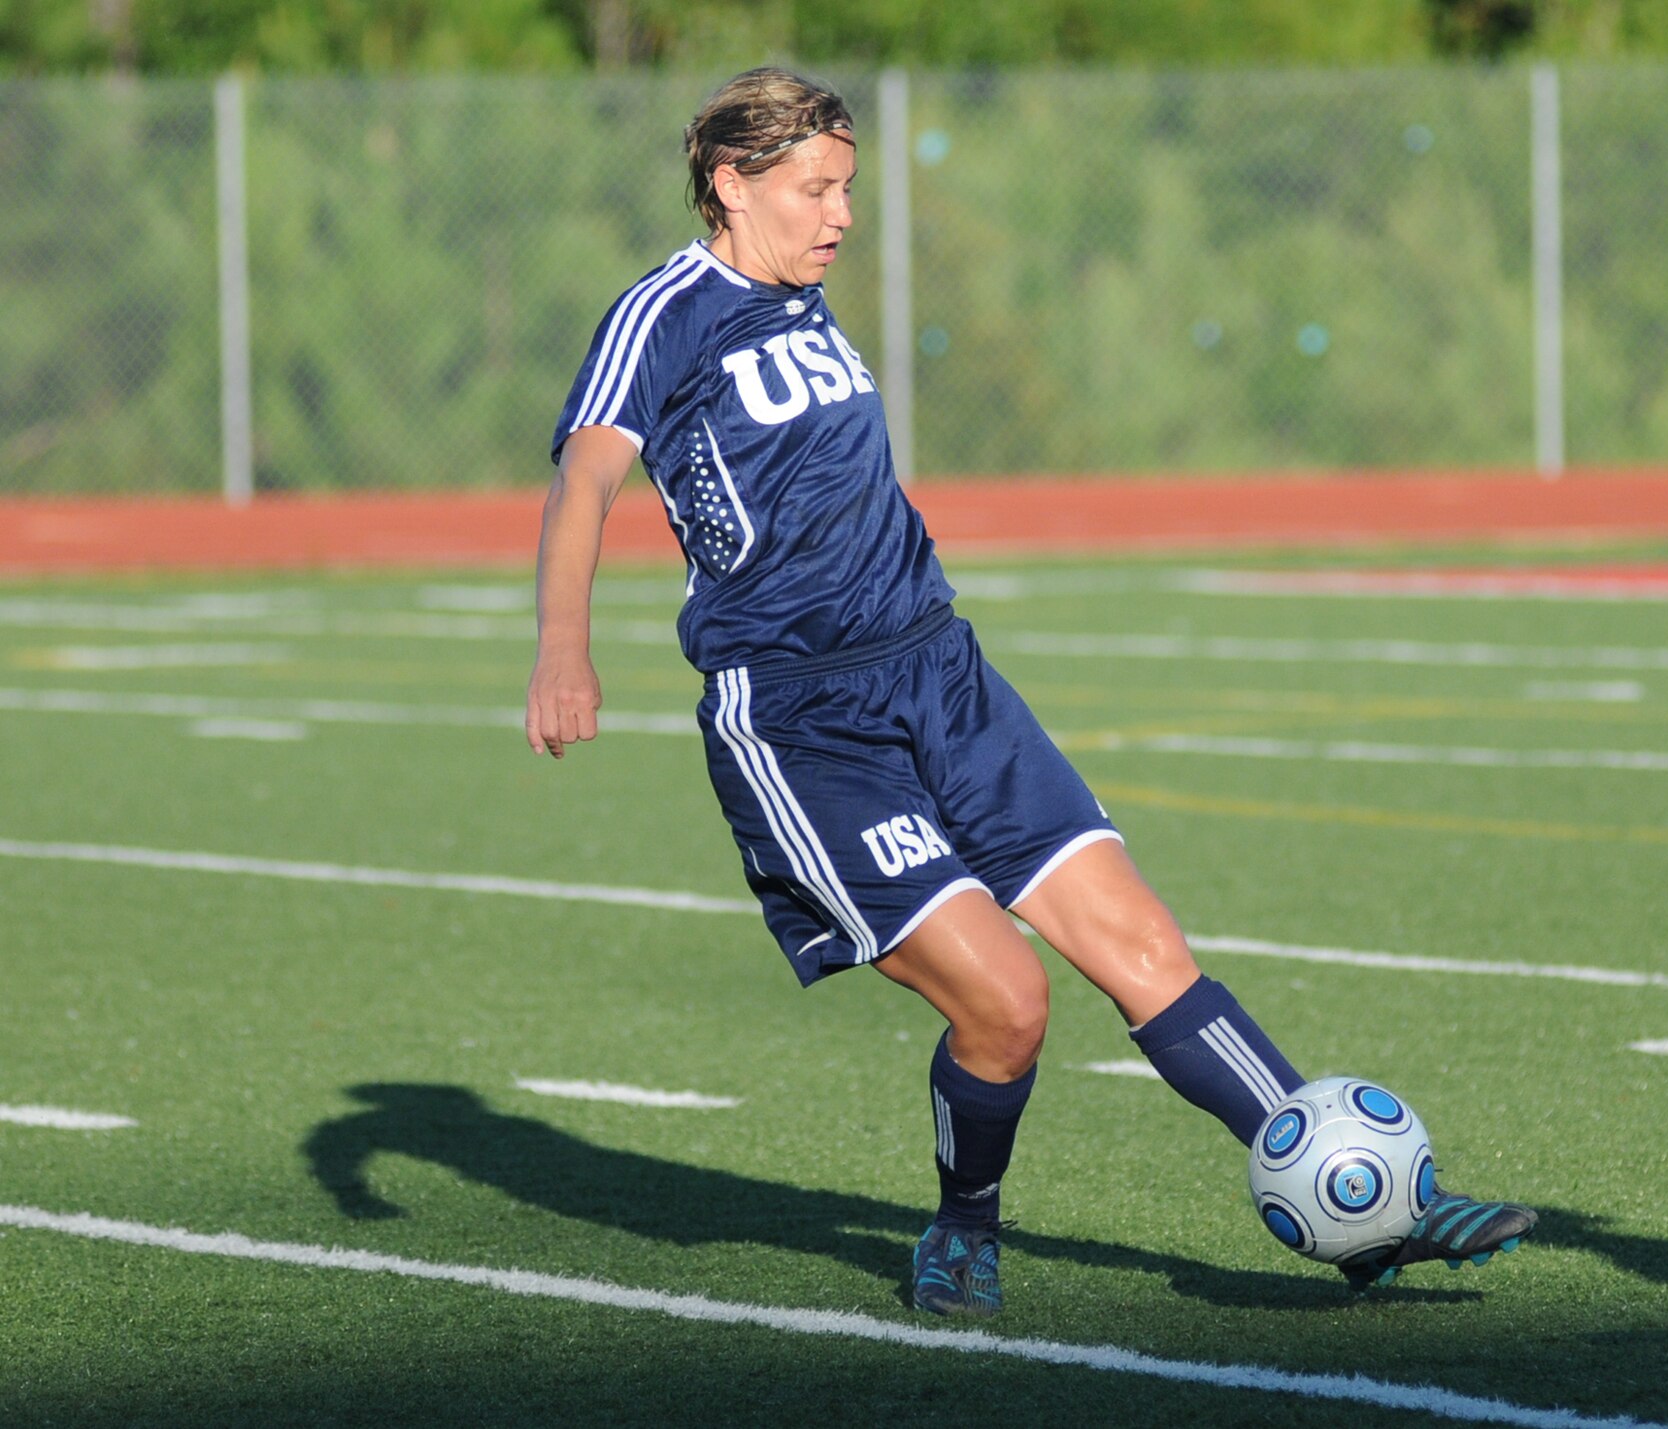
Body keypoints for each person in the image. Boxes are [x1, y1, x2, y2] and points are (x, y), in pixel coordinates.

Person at [525, 66, 1535, 1316]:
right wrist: (563, 648)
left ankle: (1368, 1199)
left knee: (1147, 947)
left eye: (846, 188)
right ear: (732, 185)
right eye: (814, 189)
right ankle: (963, 1225)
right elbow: (582, 482)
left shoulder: (807, 301)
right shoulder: (666, 312)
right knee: (1006, 1002)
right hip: (801, 722)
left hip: (941, 676)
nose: (839, 215)